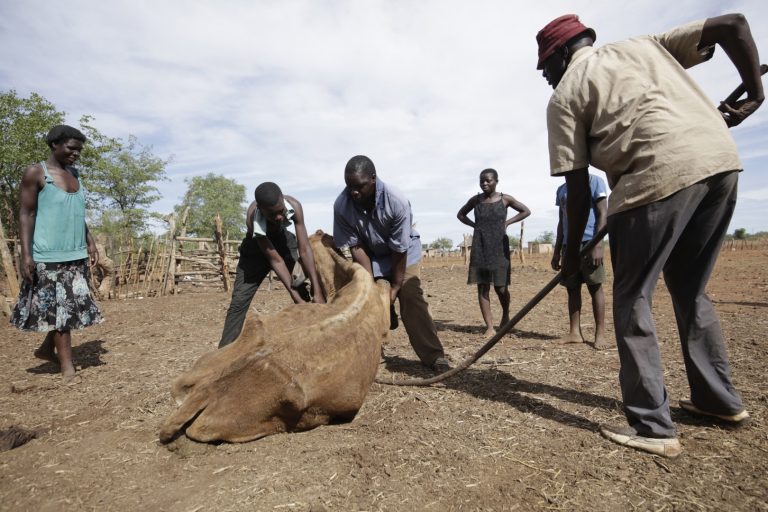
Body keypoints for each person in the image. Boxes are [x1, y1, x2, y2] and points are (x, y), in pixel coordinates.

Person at [536, 13, 762, 457]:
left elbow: (577, 187)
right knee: (691, 291)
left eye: (546, 67)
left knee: (632, 298)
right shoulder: (645, 45)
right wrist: (756, 92)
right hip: (719, 163)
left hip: (655, 180)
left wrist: (580, 250)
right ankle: (718, 401)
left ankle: (653, 428)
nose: (546, 78)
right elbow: (734, 25)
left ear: (563, 55)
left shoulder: (565, 96)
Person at [333, 155, 450, 373]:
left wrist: (395, 287)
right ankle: (367, 355)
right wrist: (369, 284)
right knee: (366, 298)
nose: (354, 192)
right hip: (372, 257)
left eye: (359, 186)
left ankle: (434, 356)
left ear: (373, 179)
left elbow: (399, 248)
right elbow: (356, 247)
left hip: (403, 255)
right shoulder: (342, 205)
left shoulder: (395, 201)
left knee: (410, 295)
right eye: (349, 186)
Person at [11, 125, 103, 382]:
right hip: (48, 254)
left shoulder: (74, 174)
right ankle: (67, 367)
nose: (76, 154)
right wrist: (26, 255)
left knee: (67, 307)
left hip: (75, 253)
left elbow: (76, 213)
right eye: (72, 148)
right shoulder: (37, 173)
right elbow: (26, 214)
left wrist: (90, 241)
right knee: (61, 311)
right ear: (55, 144)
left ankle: (44, 349)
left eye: (79, 150)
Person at [218, 182, 326, 348]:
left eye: (280, 211)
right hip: (255, 250)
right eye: (272, 214)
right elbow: (276, 261)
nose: (278, 217)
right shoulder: (253, 218)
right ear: (261, 209)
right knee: (238, 303)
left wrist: (317, 291)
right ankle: (224, 354)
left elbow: (304, 249)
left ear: (283, 200)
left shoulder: (294, 206)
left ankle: (315, 341)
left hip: (283, 241)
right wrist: (297, 300)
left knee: (302, 289)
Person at [457, 168, 530, 337]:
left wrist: (508, 222)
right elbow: (460, 215)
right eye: (482, 181)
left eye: (488, 180)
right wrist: (473, 225)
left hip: (499, 248)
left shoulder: (505, 199)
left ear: (496, 181)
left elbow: (526, 211)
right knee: (483, 287)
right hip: (480, 247)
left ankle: (505, 315)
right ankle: (489, 326)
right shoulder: (475, 200)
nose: (484, 183)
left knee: (501, 287)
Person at [551, 173, 608, 349]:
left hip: (590, 242)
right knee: (572, 288)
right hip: (569, 246)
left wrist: (598, 243)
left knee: (595, 287)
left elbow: (602, 212)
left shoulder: (594, 181)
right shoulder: (562, 189)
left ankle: (600, 334)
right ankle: (575, 332)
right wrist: (557, 250)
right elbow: (562, 221)